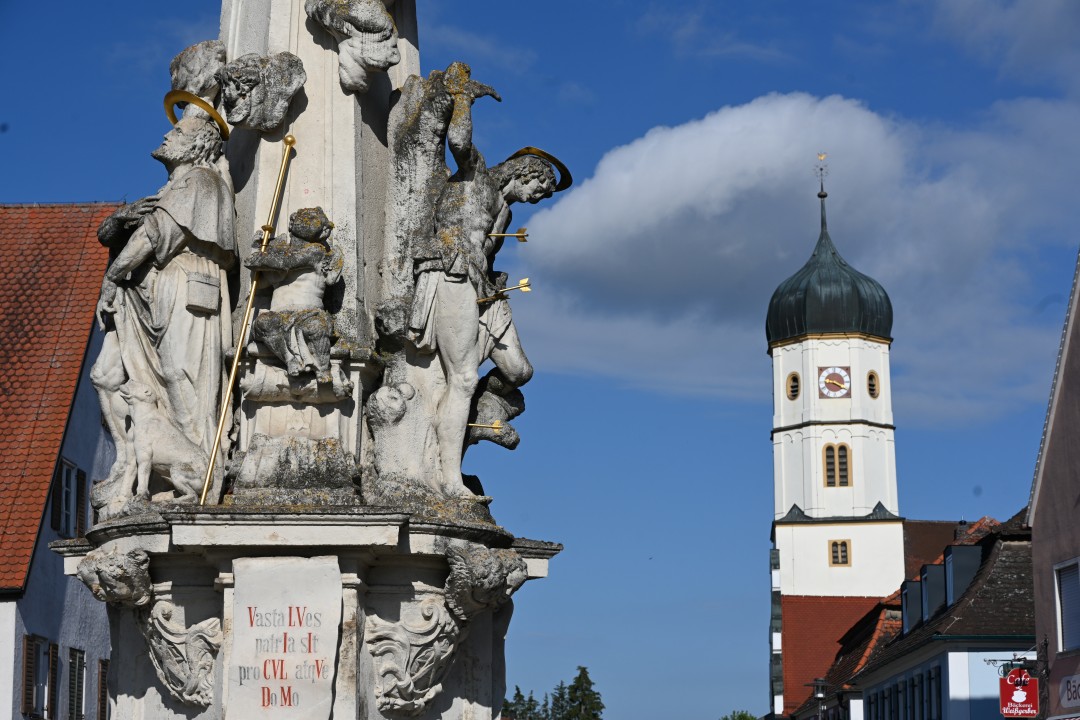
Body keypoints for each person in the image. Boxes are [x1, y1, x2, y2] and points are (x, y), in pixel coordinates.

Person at [407, 99, 556, 493]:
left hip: (486, 290)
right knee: (464, 377)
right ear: (526, 172)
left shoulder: (506, 213)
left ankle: (475, 420)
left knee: (519, 372)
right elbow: (458, 142)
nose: (538, 199)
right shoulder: (478, 176)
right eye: (540, 189)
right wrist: (462, 98)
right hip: (452, 273)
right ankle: (449, 476)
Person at [91, 113, 235, 514]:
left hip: (187, 284)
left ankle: (202, 474)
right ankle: (144, 468)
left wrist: (113, 276)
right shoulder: (174, 186)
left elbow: (153, 236)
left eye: (177, 131)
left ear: (198, 144)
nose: (166, 134)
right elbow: (133, 231)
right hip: (158, 290)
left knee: (183, 379)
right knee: (148, 380)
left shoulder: (200, 182)